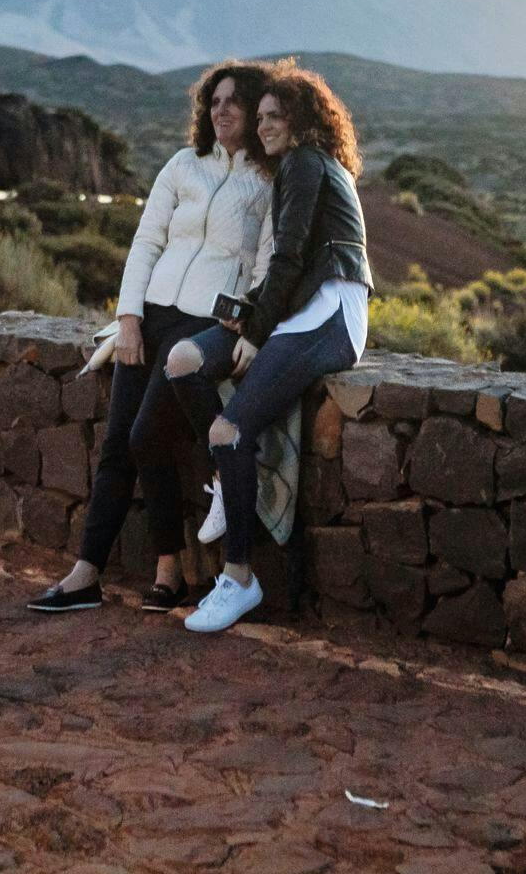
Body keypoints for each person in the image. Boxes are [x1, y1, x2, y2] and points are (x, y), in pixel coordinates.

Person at [27, 61, 276, 615]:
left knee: (145, 438)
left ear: (255, 110)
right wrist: (129, 317)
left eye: (235, 101)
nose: (222, 109)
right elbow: (145, 244)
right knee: (119, 445)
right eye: (215, 99)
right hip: (152, 315)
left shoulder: (267, 180)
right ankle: (87, 572)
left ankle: (170, 567)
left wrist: (248, 322)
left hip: (206, 323)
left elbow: (266, 264)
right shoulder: (183, 166)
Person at [166, 62, 372, 633]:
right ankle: (228, 480)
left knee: (229, 428)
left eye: (276, 116)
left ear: (304, 121)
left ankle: (238, 578)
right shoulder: (299, 167)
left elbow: (290, 258)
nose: (264, 126)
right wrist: (245, 317)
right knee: (183, 361)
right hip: (297, 310)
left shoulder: (307, 162)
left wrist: (253, 336)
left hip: (328, 317)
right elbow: (284, 270)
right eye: (261, 118)